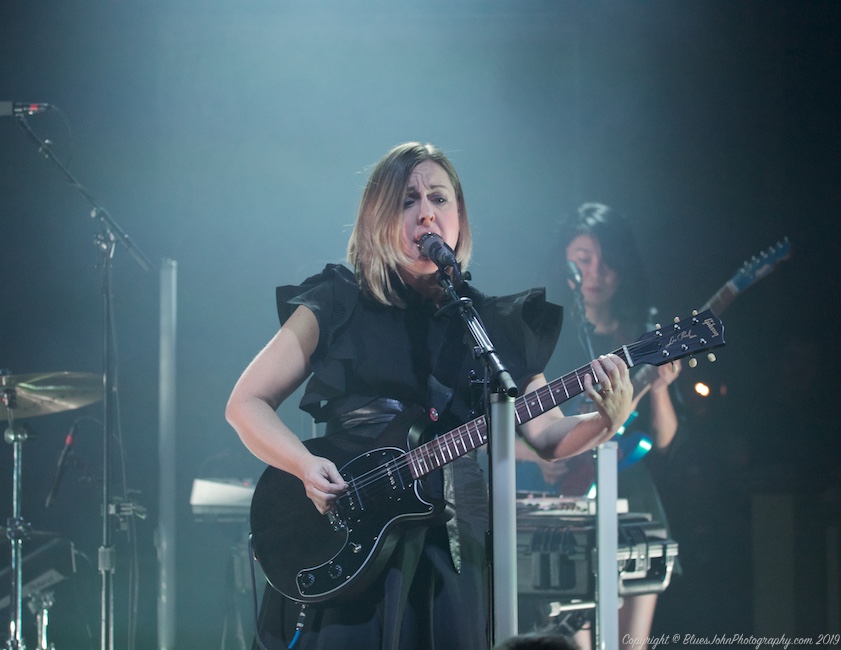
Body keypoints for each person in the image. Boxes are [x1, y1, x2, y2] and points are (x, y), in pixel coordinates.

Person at [225, 144, 634, 650]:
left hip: (450, 549)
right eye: (407, 201)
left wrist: (604, 422)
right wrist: (304, 465)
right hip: (345, 537)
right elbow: (245, 404)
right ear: (378, 217)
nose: (426, 213)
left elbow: (546, 433)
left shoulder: (488, 324)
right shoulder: (337, 300)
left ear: (459, 217)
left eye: (439, 199)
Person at [515, 202, 681, 650]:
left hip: (633, 501)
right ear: (564, 263)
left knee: (632, 644)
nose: (596, 271)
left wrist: (661, 386)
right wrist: (537, 456)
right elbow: (500, 431)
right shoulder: (546, 333)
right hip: (563, 508)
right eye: (584, 259)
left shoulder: (644, 334)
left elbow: (661, 439)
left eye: (607, 261)